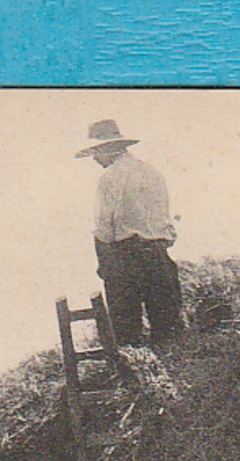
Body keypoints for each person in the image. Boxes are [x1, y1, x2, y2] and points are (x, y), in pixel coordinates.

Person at [76, 119, 184, 346]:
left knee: (126, 329)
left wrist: (105, 262)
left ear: (109, 148)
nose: (95, 159)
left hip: (125, 255)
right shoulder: (150, 171)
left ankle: (135, 372)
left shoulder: (109, 178)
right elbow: (164, 218)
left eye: (97, 152)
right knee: (167, 325)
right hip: (158, 253)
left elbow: (103, 226)